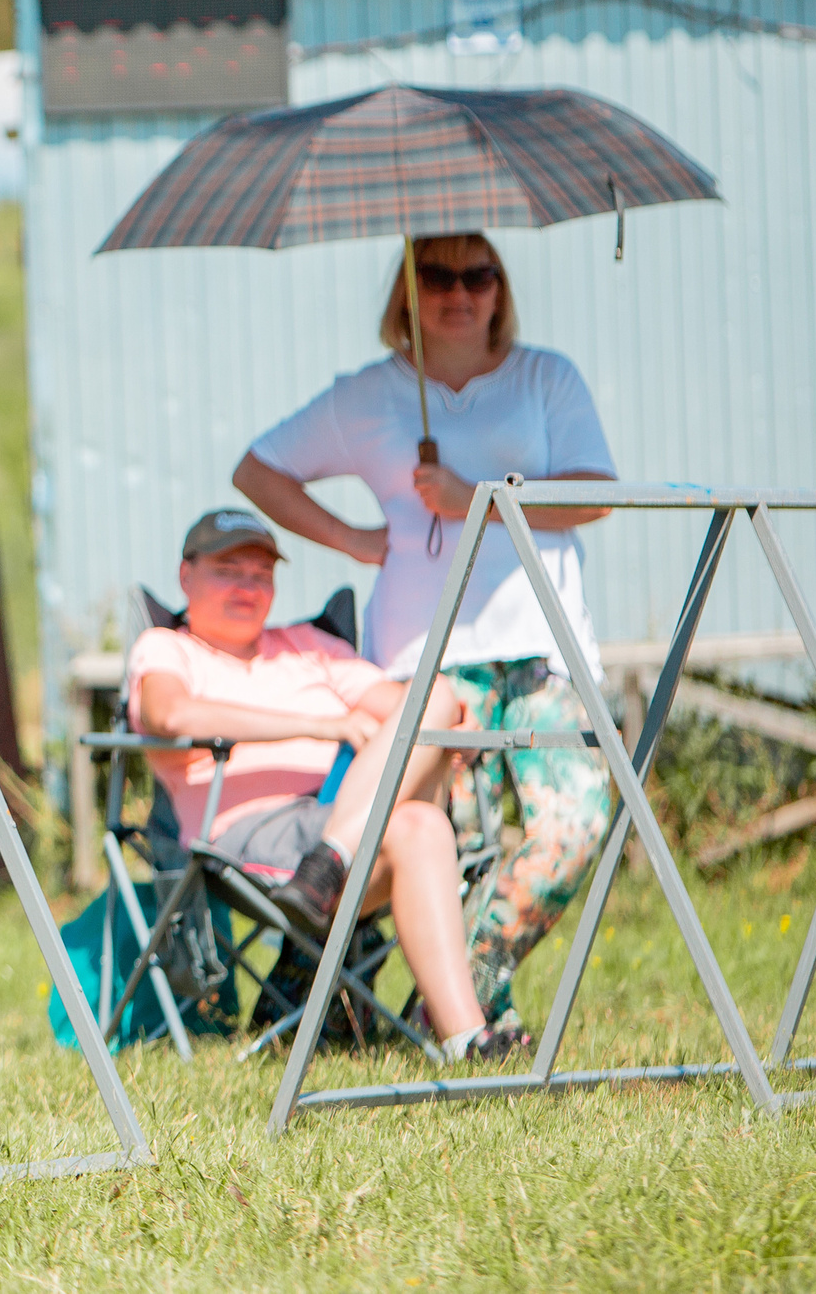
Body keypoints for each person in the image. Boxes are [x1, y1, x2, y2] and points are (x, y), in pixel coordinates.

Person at [232, 232, 618, 1041]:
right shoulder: (370, 394)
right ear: (405, 291)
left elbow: (595, 496)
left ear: (500, 288)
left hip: (544, 650)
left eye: (478, 273)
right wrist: (353, 539)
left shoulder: (544, 377)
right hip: (427, 659)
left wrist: (473, 495)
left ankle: (461, 988)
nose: (459, 291)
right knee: (455, 847)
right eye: (436, 274)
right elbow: (258, 470)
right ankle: (461, 1021)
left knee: (574, 826)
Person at [127, 510, 504, 1059]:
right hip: (243, 839)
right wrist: (320, 724)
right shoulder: (167, 648)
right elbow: (171, 715)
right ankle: (466, 1037)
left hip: (330, 821)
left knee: (437, 701)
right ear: (186, 577)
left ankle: (466, 1039)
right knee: (421, 813)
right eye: (228, 569)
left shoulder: (307, 645)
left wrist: (459, 727)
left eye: (261, 574)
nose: (247, 586)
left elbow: (414, 707)